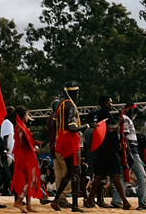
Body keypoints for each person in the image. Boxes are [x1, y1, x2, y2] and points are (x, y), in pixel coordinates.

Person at [51, 81, 93, 213]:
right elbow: (72, 127)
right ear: (73, 93)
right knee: (76, 172)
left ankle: (56, 200)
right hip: (70, 141)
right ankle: (75, 205)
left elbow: (54, 124)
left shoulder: (59, 104)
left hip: (62, 140)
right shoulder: (70, 106)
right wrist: (87, 126)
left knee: (69, 172)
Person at [85, 96, 131, 210]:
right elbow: (110, 128)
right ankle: (124, 201)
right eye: (110, 102)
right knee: (116, 175)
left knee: (100, 175)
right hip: (109, 150)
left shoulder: (97, 115)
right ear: (106, 103)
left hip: (101, 149)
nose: (111, 104)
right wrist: (119, 123)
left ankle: (90, 199)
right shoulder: (105, 114)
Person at [110, 104, 146, 210]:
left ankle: (116, 200)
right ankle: (142, 202)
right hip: (130, 152)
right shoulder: (126, 119)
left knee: (124, 178)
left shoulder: (124, 118)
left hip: (126, 152)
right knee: (142, 177)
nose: (135, 114)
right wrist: (129, 154)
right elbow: (124, 137)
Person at [11, 106, 43, 213]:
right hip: (26, 156)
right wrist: (33, 146)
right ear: (24, 115)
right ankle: (20, 200)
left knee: (28, 179)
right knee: (33, 179)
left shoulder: (21, 126)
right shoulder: (21, 127)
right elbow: (22, 142)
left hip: (23, 155)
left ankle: (29, 205)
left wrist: (34, 142)